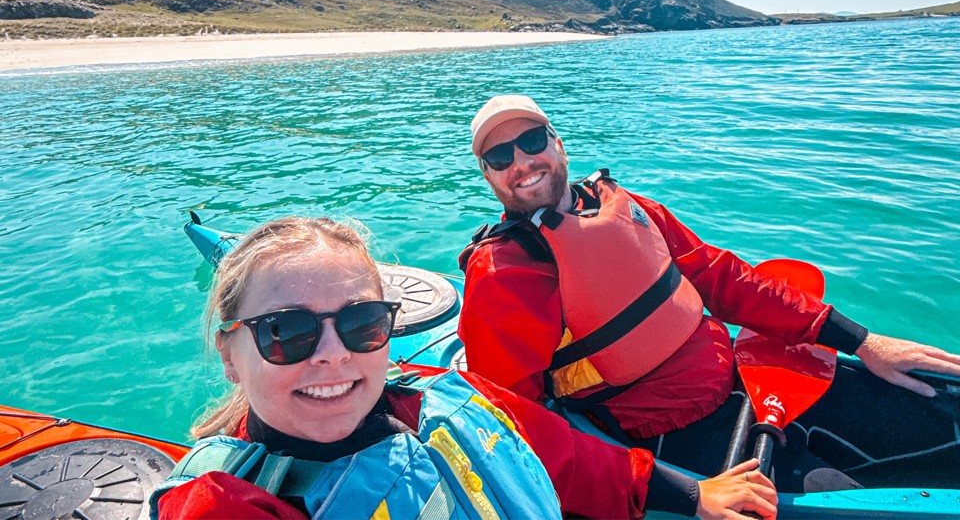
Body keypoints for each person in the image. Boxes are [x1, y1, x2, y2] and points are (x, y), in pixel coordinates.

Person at [457, 94, 960, 491]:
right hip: (675, 440)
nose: (521, 161)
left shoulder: (625, 207)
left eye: (532, 139)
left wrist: (861, 340)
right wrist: (680, 494)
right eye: (500, 155)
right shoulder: (504, 273)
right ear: (488, 175)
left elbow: (723, 279)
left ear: (558, 142)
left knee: (939, 415)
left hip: (751, 383)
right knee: (847, 492)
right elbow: (513, 423)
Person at [150, 216, 778, 520]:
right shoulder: (223, 505)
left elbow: (562, 454)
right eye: (286, 331)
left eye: (362, 323)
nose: (333, 354)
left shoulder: (442, 397)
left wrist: (693, 493)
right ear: (230, 354)